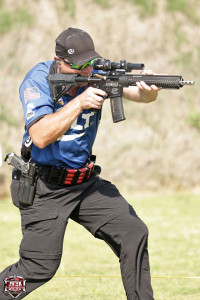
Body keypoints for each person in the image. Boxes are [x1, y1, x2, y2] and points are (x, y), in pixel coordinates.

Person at [0, 27, 161, 300]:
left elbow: (141, 95)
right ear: (57, 60)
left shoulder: (95, 75)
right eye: (77, 66)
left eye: (89, 63)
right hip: (44, 186)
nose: (85, 71)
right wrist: (78, 104)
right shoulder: (38, 80)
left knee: (133, 231)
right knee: (39, 266)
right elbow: (39, 136)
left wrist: (151, 89)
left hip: (84, 184)